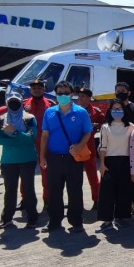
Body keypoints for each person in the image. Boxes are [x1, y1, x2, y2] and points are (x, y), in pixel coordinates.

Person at [39, 80, 93, 233]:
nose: (63, 95)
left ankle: (76, 222)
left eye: (66, 93)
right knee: (54, 191)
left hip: (73, 159)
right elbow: (44, 135)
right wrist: (42, 157)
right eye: (60, 93)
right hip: (54, 158)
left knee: (75, 191)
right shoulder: (49, 112)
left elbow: (87, 132)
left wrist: (79, 146)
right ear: (56, 95)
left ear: (72, 94)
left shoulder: (81, 112)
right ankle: (54, 221)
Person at [0, 91, 39, 229]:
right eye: (11, 102)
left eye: (16, 102)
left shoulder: (29, 118)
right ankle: (7, 218)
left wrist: (13, 133)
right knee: (10, 190)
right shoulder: (1, 119)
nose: (14, 105)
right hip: (8, 161)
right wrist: (20, 137)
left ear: (21, 103)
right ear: (7, 103)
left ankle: (32, 218)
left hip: (27, 159)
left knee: (28, 189)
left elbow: (32, 138)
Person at [96, 100, 134, 229]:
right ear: (110, 111)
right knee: (107, 192)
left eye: (120, 109)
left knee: (123, 191)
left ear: (124, 111)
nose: (117, 111)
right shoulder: (105, 127)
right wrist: (102, 164)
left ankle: (121, 217)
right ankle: (107, 220)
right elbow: (102, 147)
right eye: (114, 109)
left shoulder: (131, 127)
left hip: (125, 162)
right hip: (109, 163)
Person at [75, 86, 104, 205]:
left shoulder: (95, 112)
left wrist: (96, 126)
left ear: (89, 98)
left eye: (83, 96)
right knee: (75, 178)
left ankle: (97, 199)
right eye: (79, 96)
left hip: (89, 148)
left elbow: (104, 126)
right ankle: (76, 201)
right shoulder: (73, 110)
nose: (80, 98)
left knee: (92, 176)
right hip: (75, 147)